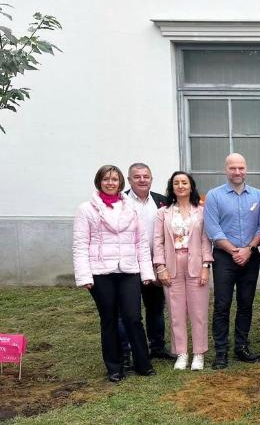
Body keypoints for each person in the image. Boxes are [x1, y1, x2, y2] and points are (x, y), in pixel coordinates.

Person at [72, 164, 155, 382]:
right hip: (101, 272)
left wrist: (146, 273)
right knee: (108, 319)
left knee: (133, 317)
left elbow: (141, 244)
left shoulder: (131, 208)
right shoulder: (86, 209)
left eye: (115, 179)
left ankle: (142, 363)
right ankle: (115, 367)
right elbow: (80, 244)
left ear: (121, 183)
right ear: (99, 182)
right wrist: (84, 276)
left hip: (129, 270)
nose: (111, 183)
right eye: (106, 179)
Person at [204, 153, 260, 369]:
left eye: (241, 168)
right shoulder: (214, 196)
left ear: (246, 169)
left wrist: (248, 249)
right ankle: (221, 351)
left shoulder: (258, 196)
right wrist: (235, 252)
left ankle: (242, 347)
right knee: (222, 304)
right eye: (233, 168)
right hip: (224, 257)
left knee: (245, 303)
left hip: (250, 255)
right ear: (226, 170)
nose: (237, 172)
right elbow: (213, 229)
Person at [152, 171, 213, 371]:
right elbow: (157, 241)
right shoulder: (163, 213)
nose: (180, 186)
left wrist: (206, 266)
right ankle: (181, 353)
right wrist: (160, 267)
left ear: (191, 186)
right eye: (176, 183)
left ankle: (198, 353)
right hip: (172, 264)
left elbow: (206, 240)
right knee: (175, 312)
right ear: (172, 187)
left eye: (184, 182)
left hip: (196, 263)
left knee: (199, 311)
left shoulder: (202, 211)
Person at [120, 163, 174, 366]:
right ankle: (127, 352)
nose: (142, 180)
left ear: (151, 178)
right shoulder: (120, 201)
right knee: (129, 311)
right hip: (130, 266)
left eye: (146, 176)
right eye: (137, 177)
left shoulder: (162, 201)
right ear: (129, 179)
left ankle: (157, 347)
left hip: (155, 263)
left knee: (155, 308)